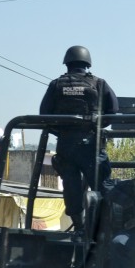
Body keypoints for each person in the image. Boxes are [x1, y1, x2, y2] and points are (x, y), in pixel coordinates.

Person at [40, 45, 119, 234]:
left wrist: (62, 131)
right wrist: (96, 126)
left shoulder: (56, 85)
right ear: (87, 63)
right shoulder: (99, 83)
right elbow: (114, 110)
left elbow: (44, 114)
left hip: (66, 146)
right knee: (103, 187)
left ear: (67, 63)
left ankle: (80, 226)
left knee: (71, 186)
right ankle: (106, 226)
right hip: (91, 146)